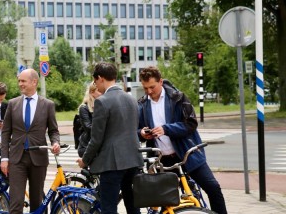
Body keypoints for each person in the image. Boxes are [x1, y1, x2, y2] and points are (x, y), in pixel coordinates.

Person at [137, 66, 227, 214]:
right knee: (160, 202)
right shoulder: (141, 104)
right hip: (161, 161)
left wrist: (167, 129)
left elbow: (191, 124)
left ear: (160, 81)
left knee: (213, 188)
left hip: (187, 155)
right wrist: (141, 133)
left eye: (152, 87)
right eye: (145, 88)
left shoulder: (178, 98)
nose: (149, 92)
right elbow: (136, 130)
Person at [76, 62, 143, 214]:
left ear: (100, 78)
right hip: (133, 160)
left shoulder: (102, 101)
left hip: (112, 163)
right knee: (133, 207)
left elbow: (96, 138)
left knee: (108, 208)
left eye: (95, 81)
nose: (95, 85)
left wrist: (85, 160)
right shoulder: (131, 99)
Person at [1, 69, 60, 213]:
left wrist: (55, 142)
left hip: (38, 159)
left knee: (36, 202)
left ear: (34, 82)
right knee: (16, 202)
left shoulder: (47, 105)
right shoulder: (12, 103)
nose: (20, 84)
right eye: (19, 81)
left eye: (23, 81)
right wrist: (4, 158)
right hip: (17, 159)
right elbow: (5, 132)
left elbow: (53, 130)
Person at [77, 83, 102, 158]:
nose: (101, 93)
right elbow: (88, 127)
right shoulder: (84, 108)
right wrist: (103, 130)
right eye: (99, 91)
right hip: (87, 145)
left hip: (97, 144)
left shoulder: (101, 105)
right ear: (92, 92)